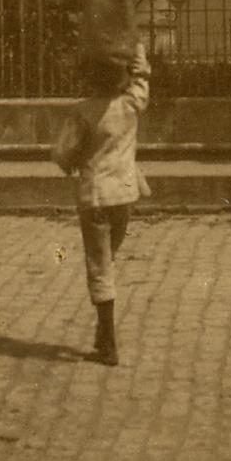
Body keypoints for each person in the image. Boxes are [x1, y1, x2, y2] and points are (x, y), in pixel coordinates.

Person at [52, 48, 151, 366]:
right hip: (124, 196)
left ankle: (108, 340)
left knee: (99, 265)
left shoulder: (81, 111)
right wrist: (135, 49)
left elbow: (63, 155)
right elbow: (142, 76)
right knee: (109, 257)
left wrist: (74, 159)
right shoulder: (132, 104)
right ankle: (101, 332)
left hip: (94, 198)